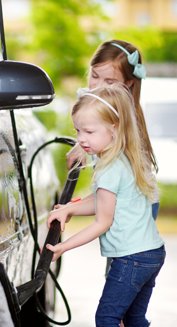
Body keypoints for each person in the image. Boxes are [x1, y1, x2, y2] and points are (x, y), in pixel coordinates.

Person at [46, 86, 166, 327]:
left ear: (114, 128)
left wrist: (62, 247)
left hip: (132, 258)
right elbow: (103, 199)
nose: (81, 138)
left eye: (89, 131)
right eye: (78, 130)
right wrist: (69, 208)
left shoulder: (109, 167)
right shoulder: (120, 158)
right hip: (151, 253)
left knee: (107, 319)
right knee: (135, 322)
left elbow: (103, 221)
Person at [67, 39, 160, 221]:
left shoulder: (123, 118)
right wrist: (81, 144)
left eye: (110, 81)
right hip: (121, 199)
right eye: (94, 75)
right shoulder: (100, 105)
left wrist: (73, 207)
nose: (98, 86)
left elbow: (112, 187)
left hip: (137, 206)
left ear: (129, 83)